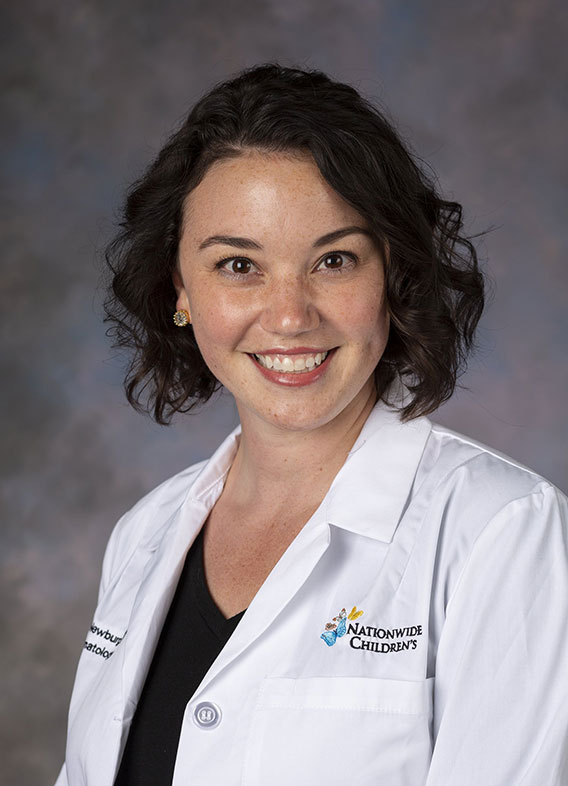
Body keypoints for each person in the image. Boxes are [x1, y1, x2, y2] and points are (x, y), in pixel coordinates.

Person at [54, 63, 568, 786]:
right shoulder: (145, 533)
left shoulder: (502, 531)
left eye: (334, 260)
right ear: (180, 290)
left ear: (393, 274)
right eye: (239, 265)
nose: (291, 316)